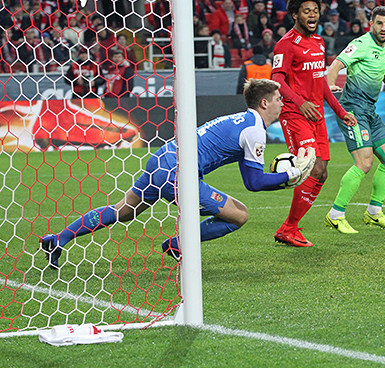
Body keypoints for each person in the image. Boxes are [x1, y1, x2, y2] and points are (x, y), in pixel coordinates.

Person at [40, 79, 317, 268]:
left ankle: (59, 238)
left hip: (161, 160)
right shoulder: (254, 130)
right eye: (279, 99)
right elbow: (254, 184)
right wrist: (291, 175)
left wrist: (288, 177)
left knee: (123, 211)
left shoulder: (243, 121)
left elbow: (249, 178)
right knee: (239, 215)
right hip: (177, 172)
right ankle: (178, 245)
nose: (283, 103)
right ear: (265, 103)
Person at [271, 0, 357, 247]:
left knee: (322, 173)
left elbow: (321, 83)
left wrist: (341, 112)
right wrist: (300, 102)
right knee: (313, 168)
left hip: (316, 115)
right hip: (294, 114)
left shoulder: (319, 42)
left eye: (315, 11)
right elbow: (277, 80)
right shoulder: (286, 44)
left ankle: (289, 228)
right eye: (306, 11)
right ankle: (289, 228)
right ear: (295, 14)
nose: (312, 15)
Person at [324, 6, 385, 234]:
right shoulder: (361, 44)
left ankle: (374, 212)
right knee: (364, 163)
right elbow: (335, 65)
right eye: (379, 23)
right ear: (371, 24)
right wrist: (331, 84)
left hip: (370, 112)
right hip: (352, 111)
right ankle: (335, 214)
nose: (383, 28)